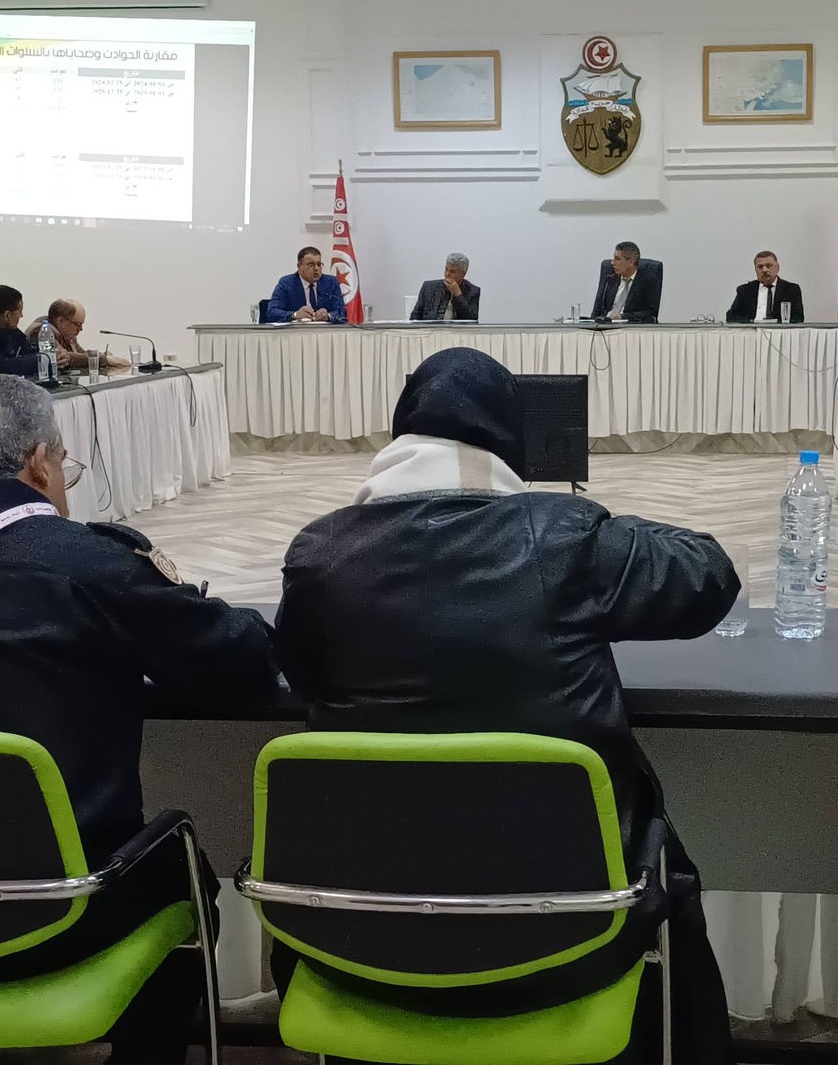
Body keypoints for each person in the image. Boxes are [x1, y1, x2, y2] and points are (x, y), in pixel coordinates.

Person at [276, 347, 740, 1063]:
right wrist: (601, 525)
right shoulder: (565, 534)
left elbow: (301, 675)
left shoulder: (318, 553)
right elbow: (709, 575)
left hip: (359, 945)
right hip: (571, 943)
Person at [0, 374, 276, 1065]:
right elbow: (239, 661)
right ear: (39, 461)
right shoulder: (87, 563)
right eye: (63, 460)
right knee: (184, 871)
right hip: (58, 914)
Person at [26, 300, 128, 373]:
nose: (81, 329)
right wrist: (103, 359)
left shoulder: (66, 333)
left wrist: (101, 355)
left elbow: (79, 354)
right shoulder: (40, 331)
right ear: (60, 320)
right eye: (78, 324)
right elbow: (65, 357)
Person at [261, 247, 346, 324]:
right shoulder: (287, 283)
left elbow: (342, 312)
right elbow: (272, 312)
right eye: (311, 265)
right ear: (299, 266)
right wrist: (295, 314)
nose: (316, 268)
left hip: (324, 332)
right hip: (295, 332)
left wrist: (328, 315)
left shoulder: (331, 282)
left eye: (319, 264)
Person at [591, 241, 664, 324]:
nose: (612, 263)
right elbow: (597, 310)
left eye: (617, 259)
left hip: (631, 327)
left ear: (630, 262)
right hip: (606, 325)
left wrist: (622, 316)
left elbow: (650, 313)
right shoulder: (610, 275)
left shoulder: (647, 278)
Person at [727, 250, 804, 324]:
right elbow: (731, 317)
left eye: (769, 266)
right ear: (755, 270)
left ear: (777, 268)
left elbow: (798, 318)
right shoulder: (745, 290)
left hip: (779, 331)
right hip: (752, 330)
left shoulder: (791, 289)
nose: (764, 270)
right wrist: (752, 322)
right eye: (760, 267)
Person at [412, 253, 482, 322]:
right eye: (446, 269)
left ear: (463, 274)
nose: (446, 274)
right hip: (431, 328)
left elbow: (472, 320)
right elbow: (414, 318)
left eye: (452, 271)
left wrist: (458, 295)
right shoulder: (428, 287)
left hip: (457, 329)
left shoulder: (473, 291)